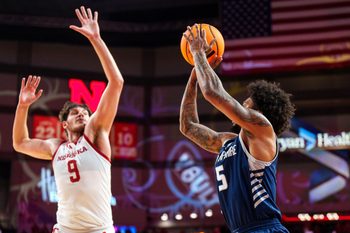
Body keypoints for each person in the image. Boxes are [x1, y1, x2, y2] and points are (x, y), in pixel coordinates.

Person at [12, 6, 124, 233]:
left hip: (98, 230)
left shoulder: (96, 134)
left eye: (85, 111)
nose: (82, 113)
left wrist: (96, 39)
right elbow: (19, 143)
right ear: (64, 124)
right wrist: (22, 106)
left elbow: (116, 82)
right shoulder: (56, 147)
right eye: (76, 113)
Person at [180, 24, 295, 233]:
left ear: (259, 110)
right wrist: (194, 77)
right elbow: (187, 126)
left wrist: (198, 52)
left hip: (264, 228)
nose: (242, 103)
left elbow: (214, 93)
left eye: (247, 102)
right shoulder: (229, 142)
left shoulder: (263, 130)